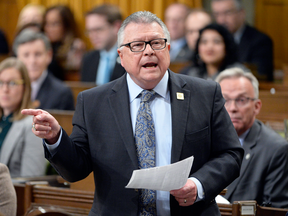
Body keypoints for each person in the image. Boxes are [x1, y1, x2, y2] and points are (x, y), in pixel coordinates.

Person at [22, 11, 243, 215]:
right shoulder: (93, 102)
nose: (149, 51)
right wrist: (55, 137)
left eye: (156, 43)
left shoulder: (204, 94)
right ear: (121, 55)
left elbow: (230, 154)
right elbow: (75, 171)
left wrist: (198, 184)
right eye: (137, 45)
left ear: (167, 49)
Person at [215, 67, 288, 208]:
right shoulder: (202, 139)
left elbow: (275, 210)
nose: (232, 108)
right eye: (225, 100)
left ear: (257, 106)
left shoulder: (276, 150)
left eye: (241, 100)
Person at [0, 57, 46, 177]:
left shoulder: (33, 125)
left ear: (25, 87)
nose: (5, 89)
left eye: (12, 83)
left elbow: (31, 179)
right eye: (1, 82)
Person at [211, 0, 274, 81]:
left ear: (242, 13)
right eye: (217, 14)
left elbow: (260, 77)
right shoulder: (212, 41)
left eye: (227, 13)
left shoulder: (261, 41)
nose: (221, 20)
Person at [13, 29, 75, 111]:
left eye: (38, 54)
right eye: (26, 55)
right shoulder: (9, 88)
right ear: (17, 58)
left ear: (49, 55)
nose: (32, 61)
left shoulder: (62, 93)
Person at [181, 23, 247, 80]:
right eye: (204, 42)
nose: (209, 47)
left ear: (227, 46)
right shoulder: (193, 74)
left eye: (216, 41)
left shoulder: (238, 73)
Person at [81, 4, 125, 85]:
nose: (93, 36)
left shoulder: (128, 57)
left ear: (117, 27)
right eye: (90, 31)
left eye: (98, 29)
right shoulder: (88, 59)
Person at [44, 5, 86, 80]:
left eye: (54, 24)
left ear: (66, 25)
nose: (49, 28)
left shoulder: (76, 46)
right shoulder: (45, 46)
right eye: (46, 23)